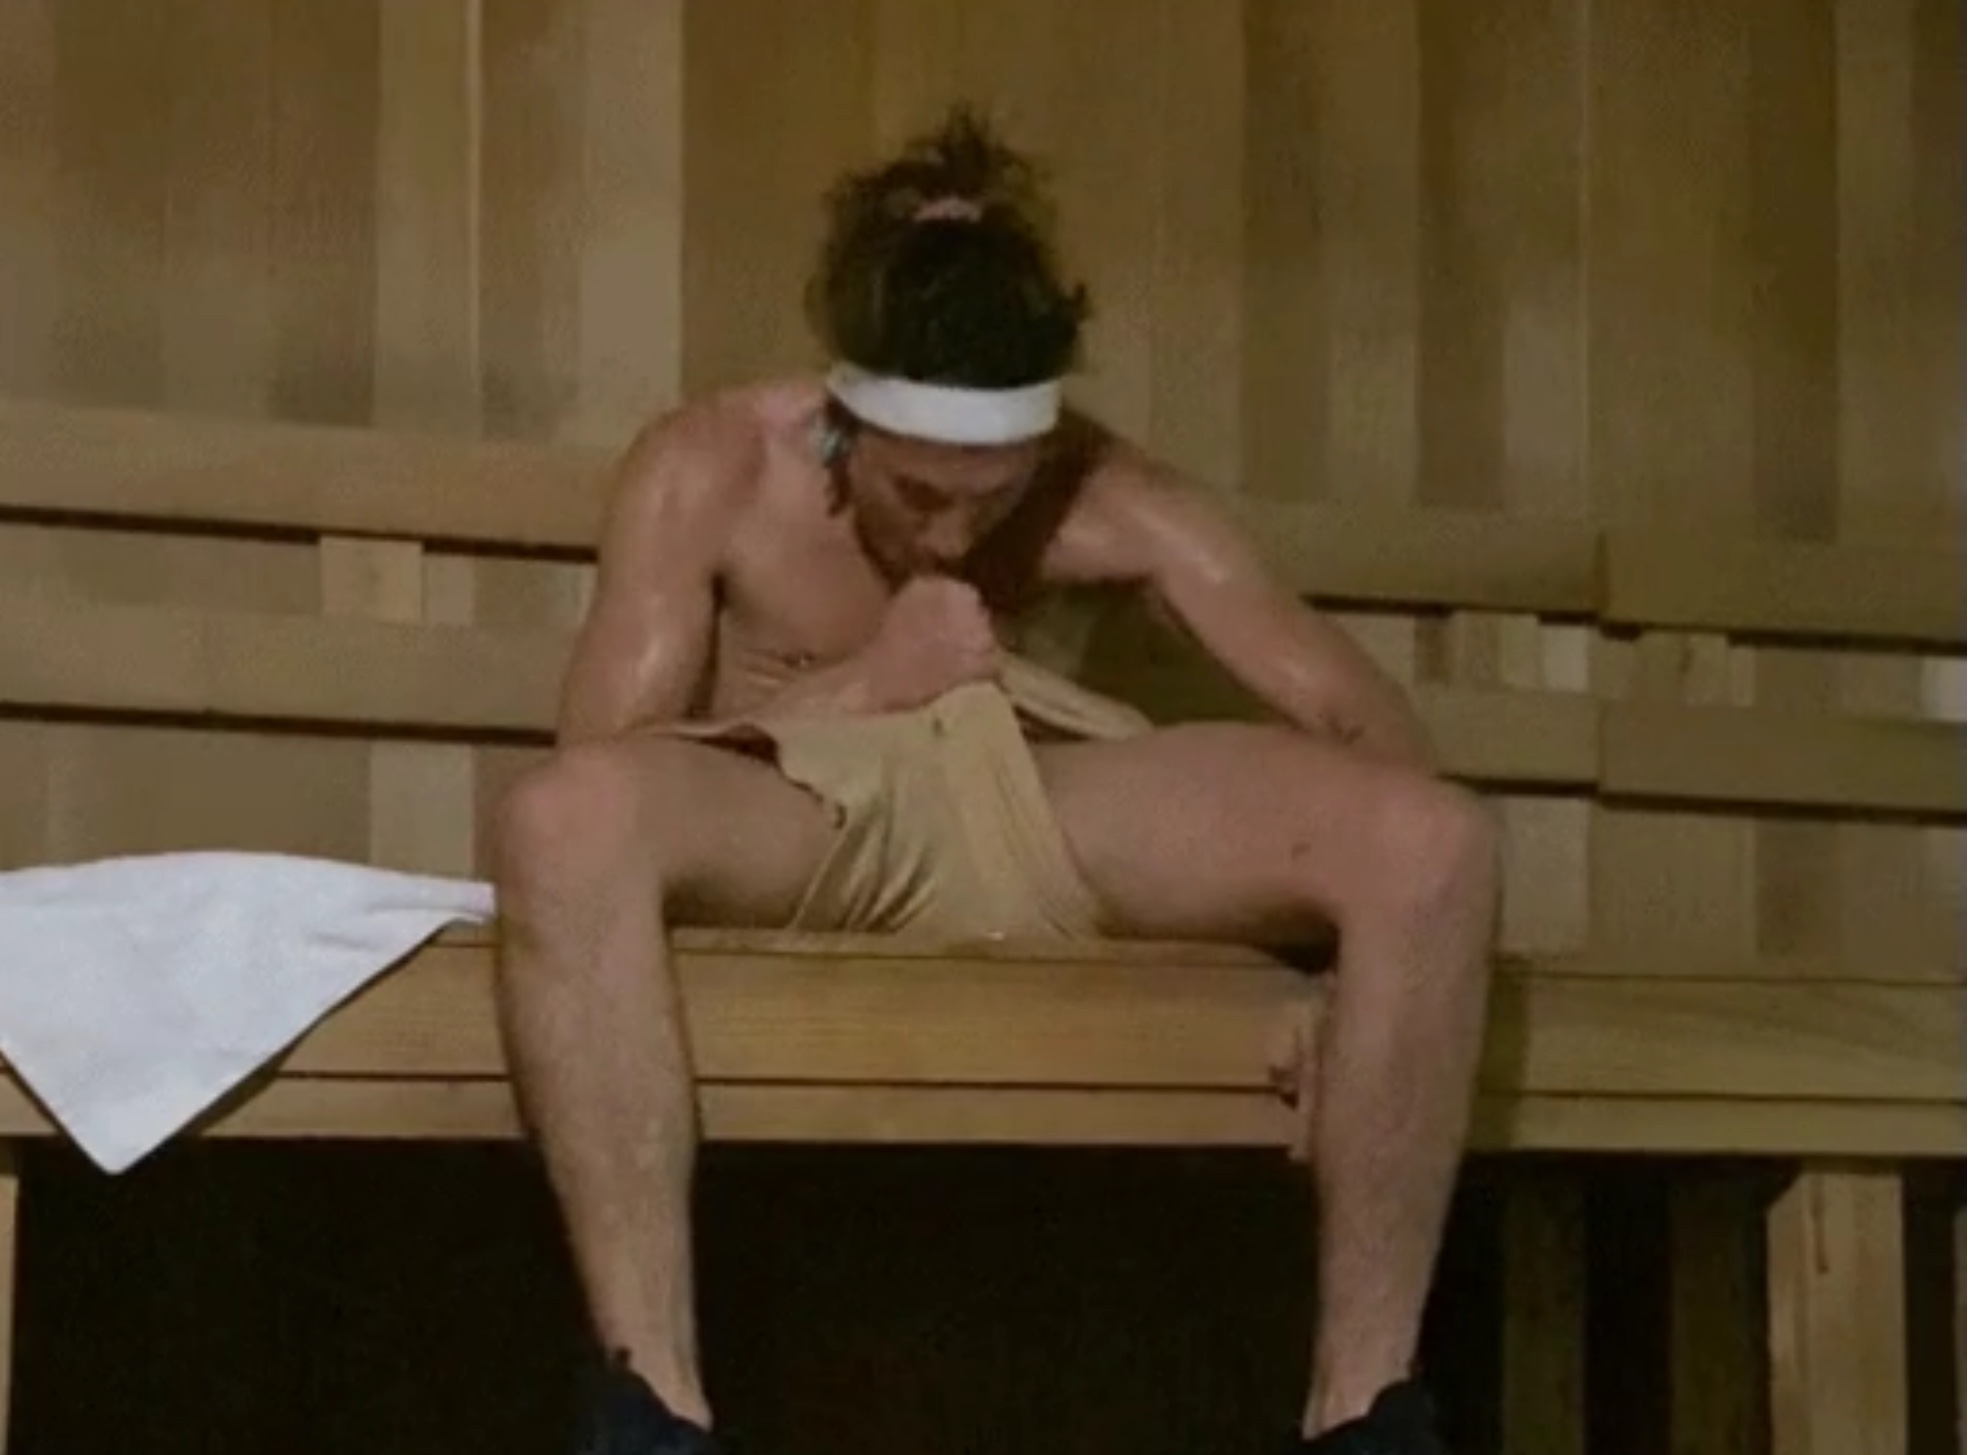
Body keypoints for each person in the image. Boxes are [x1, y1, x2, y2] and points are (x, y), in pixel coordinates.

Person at [492, 106, 1498, 1455]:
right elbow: (601, 763)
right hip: (806, 815)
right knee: (557, 826)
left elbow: (1353, 713)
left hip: (1041, 805)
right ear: (845, 418)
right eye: (919, 493)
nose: (958, 533)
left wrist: (1356, 979)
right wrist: (863, 685)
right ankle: (654, 1415)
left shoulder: (1108, 495)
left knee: (1430, 843)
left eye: (996, 495)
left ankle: (1365, 1416)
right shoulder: (712, 471)